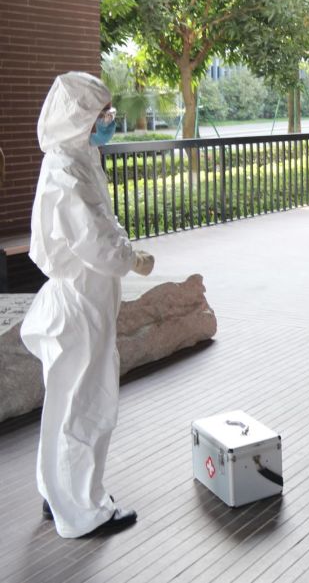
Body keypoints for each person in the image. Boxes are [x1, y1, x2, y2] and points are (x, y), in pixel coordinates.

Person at [20, 72, 156, 538]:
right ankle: (84, 508)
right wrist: (131, 258)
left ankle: (58, 493)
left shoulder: (75, 157)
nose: (110, 121)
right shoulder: (67, 170)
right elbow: (96, 239)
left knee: (65, 404)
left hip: (80, 300)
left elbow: (100, 224)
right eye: (103, 115)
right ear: (80, 118)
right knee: (89, 405)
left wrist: (123, 251)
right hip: (82, 304)